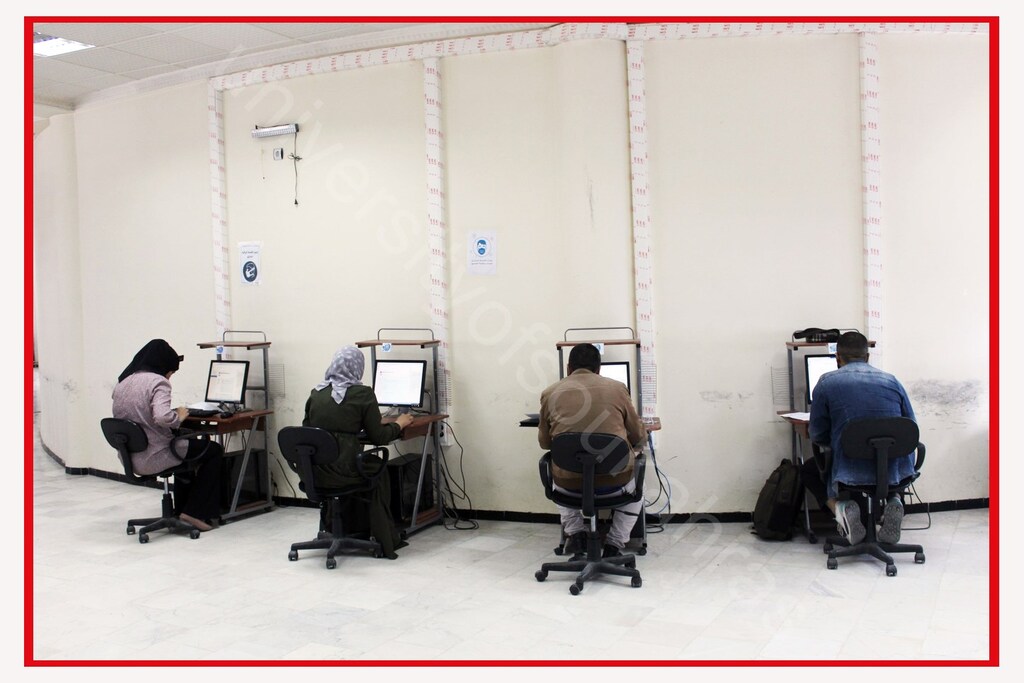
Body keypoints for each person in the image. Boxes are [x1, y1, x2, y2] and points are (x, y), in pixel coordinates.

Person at [302, 345, 413, 559]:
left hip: (316, 472)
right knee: (378, 469)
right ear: (358, 368)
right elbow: (379, 437)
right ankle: (384, 537)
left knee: (362, 464)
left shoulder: (316, 394)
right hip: (346, 471)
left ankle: (344, 526)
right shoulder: (362, 394)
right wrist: (399, 423)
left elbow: (307, 431)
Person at [538, 343, 648, 558]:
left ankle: (576, 535)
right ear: (599, 369)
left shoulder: (549, 393)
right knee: (638, 486)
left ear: (568, 368)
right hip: (614, 484)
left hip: (568, 487)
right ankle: (614, 545)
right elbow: (638, 435)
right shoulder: (618, 389)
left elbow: (544, 443)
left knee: (558, 473)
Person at [808, 331, 917, 545]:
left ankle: (841, 508)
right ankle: (895, 500)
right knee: (888, 459)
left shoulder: (827, 382)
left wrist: (841, 437)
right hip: (893, 468)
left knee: (809, 469)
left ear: (837, 357)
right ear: (867, 357)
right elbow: (910, 427)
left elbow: (817, 433)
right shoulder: (892, 381)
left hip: (850, 468)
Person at [112, 339, 224, 532]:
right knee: (213, 450)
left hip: (130, 457)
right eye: (171, 373)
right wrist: (178, 417)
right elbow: (163, 416)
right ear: (163, 367)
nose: (170, 378)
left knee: (188, 446)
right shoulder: (158, 382)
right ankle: (195, 512)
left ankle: (182, 510)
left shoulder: (123, 383)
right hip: (155, 455)